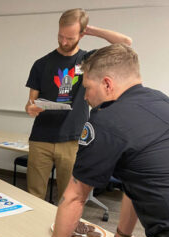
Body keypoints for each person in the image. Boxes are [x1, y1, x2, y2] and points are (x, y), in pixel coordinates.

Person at [26, 44, 169, 237]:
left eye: (87, 88)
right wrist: (123, 236)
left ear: (107, 84)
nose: (85, 96)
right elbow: (136, 183)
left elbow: (75, 197)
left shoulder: (107, 121)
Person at [24, 8, 132, 202]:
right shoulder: (41, 64)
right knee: (34, 195)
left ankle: (60, 232)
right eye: (60, 36)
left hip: (73, 140)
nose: (64, 42)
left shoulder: (88, 60)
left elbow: (126, 43)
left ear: (82, 34)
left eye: (70, 38)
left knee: (68, 197)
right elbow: (30, 104)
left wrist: (93, 30)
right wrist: (31, 108)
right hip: (41, 139)